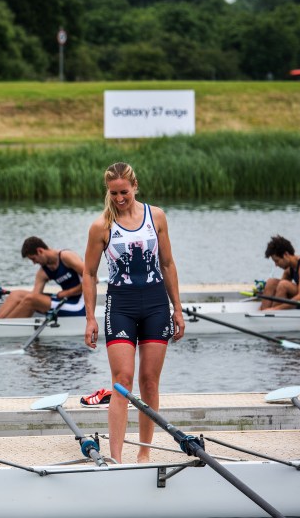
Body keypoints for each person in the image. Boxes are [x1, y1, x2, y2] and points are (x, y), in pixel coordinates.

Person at [82, 162, 184, 464]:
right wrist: (90, 317)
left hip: (155, 304)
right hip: (121, 305)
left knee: (149, 382)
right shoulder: (101, 226)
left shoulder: (157, 217)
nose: (119, 198)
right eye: (113, 193)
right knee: (121, 380)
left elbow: (167, 264)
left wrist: (177, 309)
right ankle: (116, 458)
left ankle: (144, 453)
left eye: (124, 192)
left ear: (135, 186)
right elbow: (88, 273)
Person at [0, 237, 85, 319]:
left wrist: (67, 293)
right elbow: (35, 295)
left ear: (40, 251)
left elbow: (93, 280)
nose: (34, 263)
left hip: (80, 305)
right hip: (64, 301)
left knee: (31, 300)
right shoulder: (42, 273)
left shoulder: (66, 256)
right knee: (16, 294)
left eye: (33, 259)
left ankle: (5, 329)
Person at [261, 235, 300, 309]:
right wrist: (265, 292)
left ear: (286, 254)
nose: (276, 265)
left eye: (277, 261)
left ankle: (271, 313)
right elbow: (278, 290)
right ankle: (262, 312)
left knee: (284, 285)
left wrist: (274, 309)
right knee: (271, 282)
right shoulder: (289, 269)